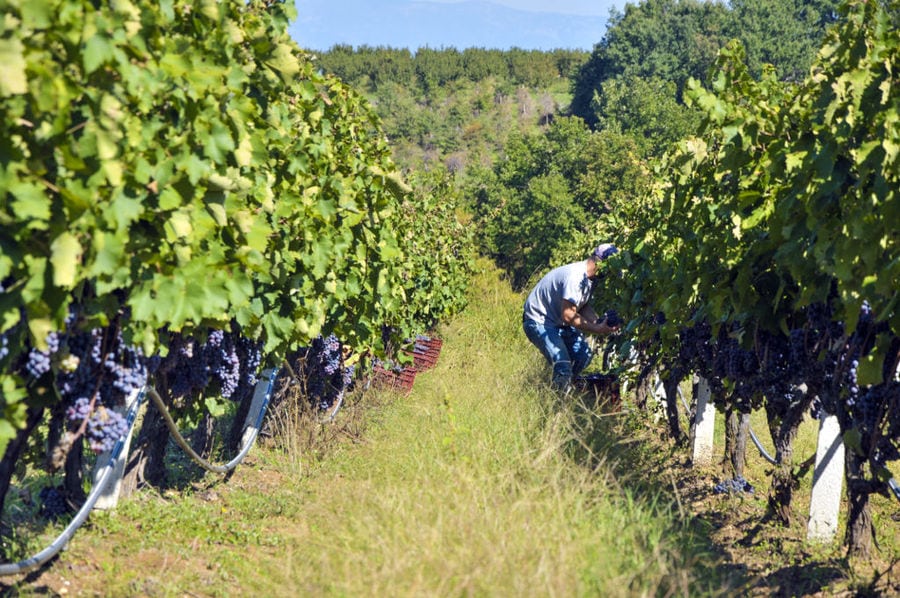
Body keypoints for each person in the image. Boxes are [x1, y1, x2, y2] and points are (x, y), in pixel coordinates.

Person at [522, 243, 620, 392]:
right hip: (539, 320)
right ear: (600, 263)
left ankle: (562, 386)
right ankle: (557, 405)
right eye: (610, 268)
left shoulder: (591, 279)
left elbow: (582, 305)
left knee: (583, 356)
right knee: (562, 364)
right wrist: (596, 328)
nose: (610, 274)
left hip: (556, 322)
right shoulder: (576, 277)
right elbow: (568, 315)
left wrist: (599, 321)